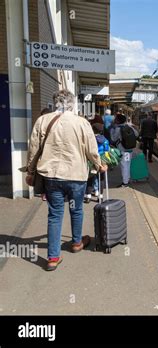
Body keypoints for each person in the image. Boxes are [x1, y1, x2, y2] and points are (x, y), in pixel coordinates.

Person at [25, 90, 108, 271]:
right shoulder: (81, 123)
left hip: (51, 176)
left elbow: (33, 148)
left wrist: (30, 171)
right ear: (72, 104)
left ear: (55, 103)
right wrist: (99, 164)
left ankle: (53, 258)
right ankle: (77, 243)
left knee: (55, 215)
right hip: (76, 175)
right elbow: (91, 149)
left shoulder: (43, 120)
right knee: (76, 210)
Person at [110, 113, 138, 187]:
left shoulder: (117, 129)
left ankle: (125, 183)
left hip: (123, 150)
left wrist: (112, 130)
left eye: (115, 119)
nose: (114, 120)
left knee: (124, 166)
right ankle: (127, 179)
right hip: (130, 149)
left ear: (118, 121)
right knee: (127, 165)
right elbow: (137, 134)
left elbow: (113, 138)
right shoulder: (129, 127)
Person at [84, 124, 109, 203]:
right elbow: (106, 150)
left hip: (92, 160)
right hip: (102, 159)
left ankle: (88, 196)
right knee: (101, 178)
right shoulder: (105, 140)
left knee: (90, 177)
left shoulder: (90, 139)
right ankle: (100, 196)